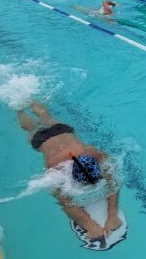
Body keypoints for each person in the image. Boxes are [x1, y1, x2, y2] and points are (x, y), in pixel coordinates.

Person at [17, 101, 122, 242]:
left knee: (34, 126)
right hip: (57, 132)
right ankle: (22, 108)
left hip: (56, 135)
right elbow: (66, 204)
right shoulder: (87, 155)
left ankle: (20, 108)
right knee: (38, 123)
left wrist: (112, 214)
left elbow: (66, 202)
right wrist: (92, 225)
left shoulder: (62, 165)